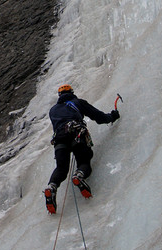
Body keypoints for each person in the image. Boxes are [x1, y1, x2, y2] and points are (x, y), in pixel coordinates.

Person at [44, 84, 120, 213]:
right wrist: (112, 116)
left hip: (59, 139)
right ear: (72, 92)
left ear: (59, 96)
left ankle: (52, 187)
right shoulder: (78, 103)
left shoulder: (53, 110)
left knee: (61, 168)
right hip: (76, 133)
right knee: (84, 161)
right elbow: (98, 117)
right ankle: (79, 175)